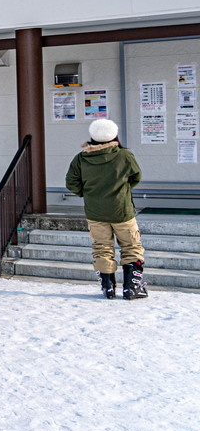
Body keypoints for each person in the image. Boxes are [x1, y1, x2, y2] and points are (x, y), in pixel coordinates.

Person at [65, 119, 147, 300]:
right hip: (122, 210)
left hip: (95, 212)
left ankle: (108, 287)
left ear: (93, 136)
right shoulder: (124, 155)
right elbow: (136, 176)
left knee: (102, 247)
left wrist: (88, 193)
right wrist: (123, 191)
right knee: (131, 246)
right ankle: (132, 287)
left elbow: (71, 182)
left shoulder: (81, 158)